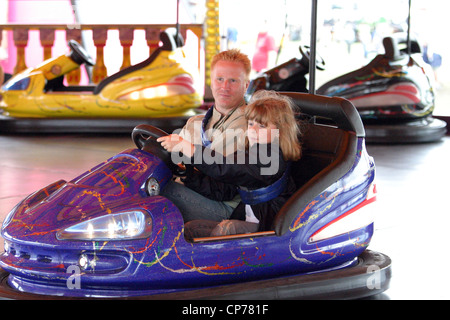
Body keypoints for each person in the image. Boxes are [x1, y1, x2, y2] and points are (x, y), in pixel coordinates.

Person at [158, 90, 301, 240]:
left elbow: (228, 168)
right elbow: (222, 190)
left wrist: (190, 149)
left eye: (262, 126)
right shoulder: (250, 154)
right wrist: (188, 174)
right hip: (249, 219)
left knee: (169, 195)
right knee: (190, 230)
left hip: (266, 229)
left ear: (280, 131)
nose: (252, 131)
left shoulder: (271, 158)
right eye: (251, 124)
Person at [160, 49, 251, 223]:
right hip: (194, 191)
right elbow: (176, 158)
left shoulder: (247, 125)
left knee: (156, 190)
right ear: (211, 81)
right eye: (220, 79)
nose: (225, 87)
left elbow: (217, 172)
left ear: (246, 85)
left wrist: (184, 159)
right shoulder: (196, 122)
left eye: (233, 81)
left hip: (226, 207)